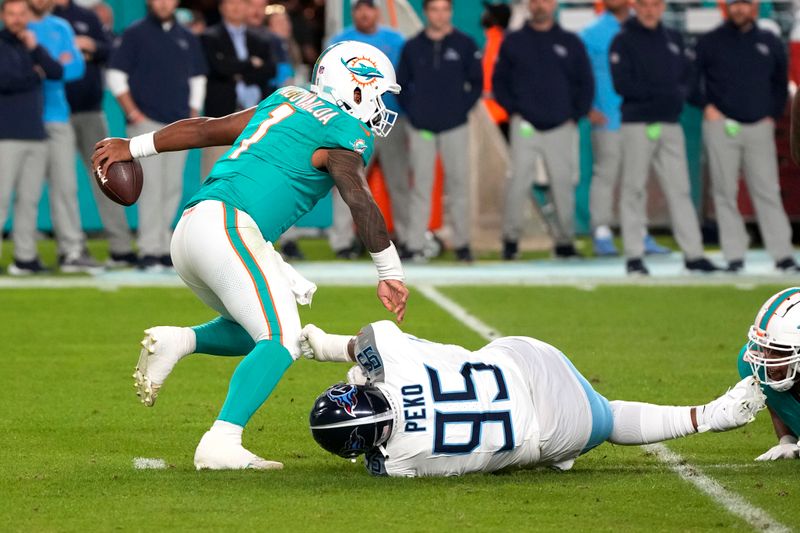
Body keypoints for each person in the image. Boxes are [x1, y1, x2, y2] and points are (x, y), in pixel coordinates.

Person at [92, 41, 410, 470]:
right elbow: (359, 199)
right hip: (229, 228)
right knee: (278, 338)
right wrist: (389, 269)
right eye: (378, 93)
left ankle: (179, 340)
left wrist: (135, 145)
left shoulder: (288, 97)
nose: (380, 105)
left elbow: (207, 129)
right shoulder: (343, 132)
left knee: (261, 329)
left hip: (192, 229)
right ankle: (222, 440)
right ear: (355, 88)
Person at [302, 320, 764, 477]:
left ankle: (707, 416)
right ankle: (710, 414)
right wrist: (322, 345)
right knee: (602, 410)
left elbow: (375, 457)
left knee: (607, 417)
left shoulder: (397, 463)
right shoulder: (387, 354)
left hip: (556, 433)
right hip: (527, 360)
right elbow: (362, 343)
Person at [610, 0, 719, 276]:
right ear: (635, 6)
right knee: (634, 190)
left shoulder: (673, 38)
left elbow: (687, 77)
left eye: (655, 4)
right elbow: (622, 83)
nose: (650, 10)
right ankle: (634, 256)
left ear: (662, 7)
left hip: (670, 123)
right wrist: (662, 94)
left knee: (680, 190)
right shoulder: (623, 40)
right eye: (644, 4)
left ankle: (693, 254)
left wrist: (679, 96)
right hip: (638, 123)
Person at [692, 0, 799, 274]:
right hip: (721, 125)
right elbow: (691, 81)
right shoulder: (710, 41)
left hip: (758, 126)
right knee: (724, 192)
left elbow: (780, 82)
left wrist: (771, 114)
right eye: (735, 3)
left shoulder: (769, 41)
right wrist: (708, 106)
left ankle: (783, 255)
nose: (740, 9)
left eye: (746, 3)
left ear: (755, 7)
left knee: (767, 190)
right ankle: (734, 256)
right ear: (727, 7)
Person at [106, 0, 207, 272]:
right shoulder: (135, 33)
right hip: (146, 123)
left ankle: (164, 248)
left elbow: (198, 77)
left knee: (172, 187)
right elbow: (116, 75)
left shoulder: (186, 36)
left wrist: (193, 113)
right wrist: (133, 112)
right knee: (150, 188)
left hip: (178, 125)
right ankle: (149, 249)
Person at [493, 0, 594, 260]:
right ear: (529, 6)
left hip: (561, 126)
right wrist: (515, 110)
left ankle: (565, 242)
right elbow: (499, 81)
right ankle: (511, 242)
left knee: (562, 185)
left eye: (546, 1)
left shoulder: (570, 42)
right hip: (525, 124)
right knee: (517, 183)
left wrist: (574, 115)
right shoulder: (514, 41)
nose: (541, 6)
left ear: (554, 5)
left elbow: (585, 82)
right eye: (536, 1)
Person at [580, 0, 670, 258]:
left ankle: (639, 232)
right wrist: (588, 108)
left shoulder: (646, 29)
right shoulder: (592, 33)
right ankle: (601, 231)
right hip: (609, 117)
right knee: (605, 175)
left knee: (637, 180)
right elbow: (580, 74)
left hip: (639, 117)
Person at [397, 0, 482, 263]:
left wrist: (459, 111)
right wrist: (416, 113)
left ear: (451, 13)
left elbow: (476, 84)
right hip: (422, 128)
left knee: (458, 186)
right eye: (435, 9)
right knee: (421, 187)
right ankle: (414, 244)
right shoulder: (413, 46)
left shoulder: (465, 44)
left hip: (454, 126)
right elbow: (401, 85)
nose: (440, 15)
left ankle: (462, 244)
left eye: (445, 9)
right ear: (426, 12)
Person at [53, 0, 136, 268]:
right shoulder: (41, 19)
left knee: (108, 177)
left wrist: (91, 46)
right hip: (57, 113)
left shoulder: (86, 16)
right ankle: (71, 250)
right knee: (63, 184)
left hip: (90, 109)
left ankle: (121, 247)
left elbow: (112, 50)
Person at [327, 0, 409, 260]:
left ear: (377, 11)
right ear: (354, 12)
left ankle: (407, 238)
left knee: (398, 182)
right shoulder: (341, 41)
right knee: (346, 181)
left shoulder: (396, 40)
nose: (364, 12)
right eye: (359, 7)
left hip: (390, 120)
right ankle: (343, 241)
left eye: (369, 7)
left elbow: (407, 79)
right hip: (354, 123)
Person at [29, 0, 106, 273]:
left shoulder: (60, 26)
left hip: (57, 117)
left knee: (66, 187)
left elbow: (75, 69)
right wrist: (51, 62)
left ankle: (71, 251)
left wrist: (43, 65)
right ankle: (24, 255)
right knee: (19, 192)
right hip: (20, 121)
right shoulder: (15, 24)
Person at [0, 0, 63, 275]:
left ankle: (25, 258)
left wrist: (35, 49)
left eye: (20, 14)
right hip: (6, 136)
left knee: (29, 200)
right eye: (11, 14)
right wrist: (34, 74)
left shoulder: (30, 44)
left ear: (27, 16)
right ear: (3, 16)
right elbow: (6, 80)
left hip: (35, 135)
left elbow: (56, 72)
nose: (16, 19)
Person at [200, 0, 275, 181]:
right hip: (221, 117)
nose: (235, 7)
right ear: (221, 7)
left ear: (247, 7)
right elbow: (219, 67)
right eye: (230, 2)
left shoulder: (260, 39)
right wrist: (250, 64)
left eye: (240, 2)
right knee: (214, 178)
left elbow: (269, 70)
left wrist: (238, 73)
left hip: (254, 121)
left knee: (251, 179)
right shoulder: (209, 37)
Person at [739, 288, 800, 461]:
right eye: (765, 348)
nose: (767, 360)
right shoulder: (751, 363)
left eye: (779, 352)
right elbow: (777, 399)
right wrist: (786, 441)